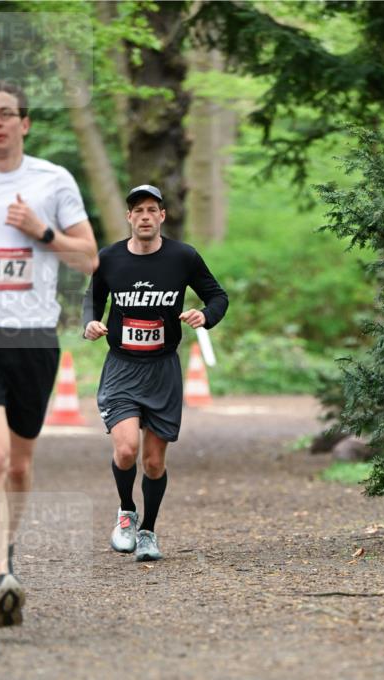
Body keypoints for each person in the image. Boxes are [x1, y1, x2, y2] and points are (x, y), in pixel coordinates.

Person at [0, 79, 97, 627]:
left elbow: (89, 259)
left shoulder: (53, 181)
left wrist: (42, 231)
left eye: (7, 113)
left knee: (22, 465)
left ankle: (3, 560)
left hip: (33, 336)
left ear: (24, 123)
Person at [82, 184, 228, 561]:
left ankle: (148, 531)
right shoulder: (109, 258)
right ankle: (126, 511)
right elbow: (92, 299)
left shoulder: (183, 257)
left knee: (154, 462)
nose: (145, 217)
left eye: (152, 210)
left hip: (163, 369)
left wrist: (205, 315)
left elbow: (218, 296)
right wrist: (91, 324)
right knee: (127, 449)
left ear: (162, 216)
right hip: (122, 368)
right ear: (129, 218)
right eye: (138, 211)